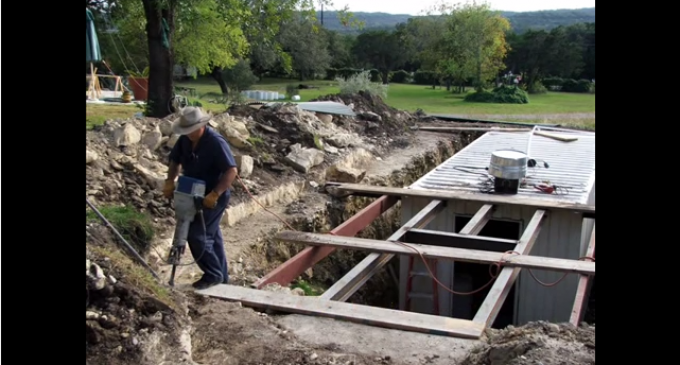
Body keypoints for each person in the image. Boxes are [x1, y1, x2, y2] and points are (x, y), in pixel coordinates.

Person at [162, 107, 238, 289]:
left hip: (213, 195)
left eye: (191, 130)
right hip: (191, 191)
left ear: (201, 126)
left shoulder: (215, 142)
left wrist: (215, 194)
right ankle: (222, 276)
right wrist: (170, 181)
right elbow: (175, 161)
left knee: (197, 235)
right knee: (212, 236)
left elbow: (231, 170)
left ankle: (213, 275)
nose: (188, 134)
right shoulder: (185, 140)